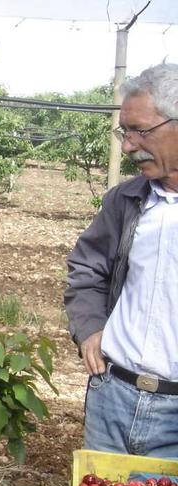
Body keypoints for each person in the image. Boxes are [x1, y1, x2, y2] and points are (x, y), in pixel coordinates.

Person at [65, 62, 178, 458]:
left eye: (140, 131)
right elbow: (87, 269)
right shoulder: (126, 201)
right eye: (124, 131)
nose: (128, 145)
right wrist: (90, 327)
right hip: (112, 397)